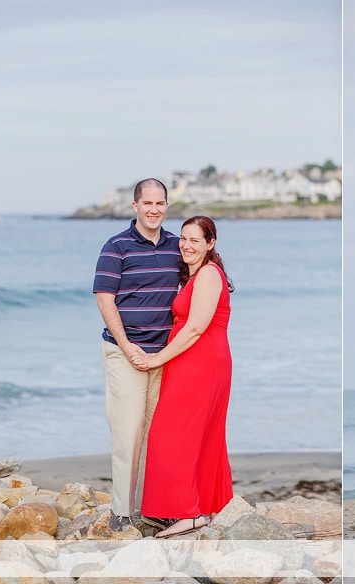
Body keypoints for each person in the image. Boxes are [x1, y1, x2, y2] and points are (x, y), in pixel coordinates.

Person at [135, 215, 235, 538]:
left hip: (202, 362)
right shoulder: (193, 276)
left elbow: (194, 328)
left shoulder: (208, 274)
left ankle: (190, 513)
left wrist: (156, 360)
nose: (186, 245)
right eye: (183, 238)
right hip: (190, 361)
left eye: (195, 240)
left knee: (172, 433)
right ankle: (196, 507)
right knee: (194, 436)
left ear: (210, 243)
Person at [93, 178, 180, 526]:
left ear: (166, 206)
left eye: (160, 204)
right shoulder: (116, 247)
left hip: (164, 356)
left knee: (160, 435)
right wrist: (128, 347)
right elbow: (104, 299)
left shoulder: (177, 246)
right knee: (128, 433)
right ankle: (122, 513)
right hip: (123, 351)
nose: (154, 210)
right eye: (148, 204)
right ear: (135, 206)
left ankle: (158, 508)